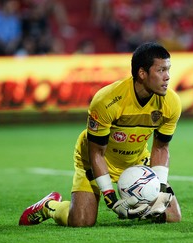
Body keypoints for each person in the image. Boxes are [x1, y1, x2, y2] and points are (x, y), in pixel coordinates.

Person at [19, 42, 182, 227]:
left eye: (168, 70)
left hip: (135, 160)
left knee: (171, 216)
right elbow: (96, 152)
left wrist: (160, 189)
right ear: (142, 73)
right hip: (95, 157)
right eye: (161, 70)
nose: (167, 77)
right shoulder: (107, 100)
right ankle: (50, 206)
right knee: (81, 222)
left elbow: (161, 147)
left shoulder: (171, 102)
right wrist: (110, 198)